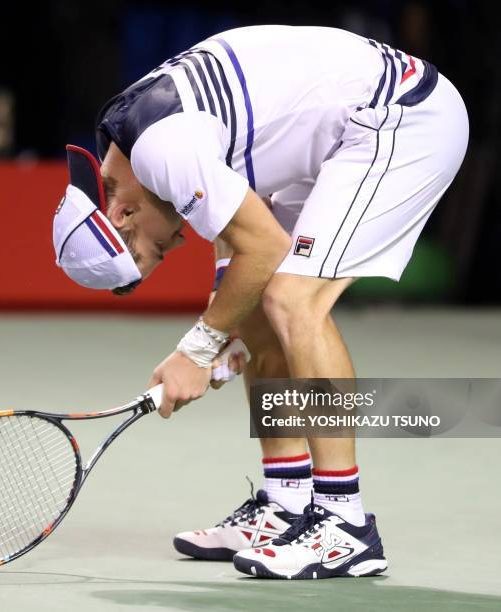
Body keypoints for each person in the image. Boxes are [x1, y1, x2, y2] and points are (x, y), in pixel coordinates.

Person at [52, 25, 468, 579]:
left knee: (295, 302)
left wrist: (197, 350)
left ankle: (346, 526)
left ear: (123, 215)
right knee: (255, 309)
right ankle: (287, 501)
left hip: (403, 116)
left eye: (158, 247)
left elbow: (265, 246)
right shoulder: (133, 142)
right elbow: (240, 238)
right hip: (345, 132)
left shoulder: (160, 151)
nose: (177, 243)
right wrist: (228, 329)